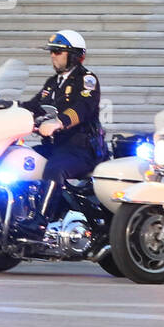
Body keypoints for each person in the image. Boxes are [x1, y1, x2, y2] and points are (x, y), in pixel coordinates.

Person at [20, 30, 104, 232]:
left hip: (81, 149)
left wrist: (59, 123)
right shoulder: (52, 84)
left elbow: (83, 107)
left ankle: (41, 221)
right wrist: (6, 108)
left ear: (74, 55)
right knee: (22, 160)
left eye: (57, 52)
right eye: (51, 52)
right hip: (55, 147)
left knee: (54, 169)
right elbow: (34, 105)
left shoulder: (86, 80)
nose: (52, 56)